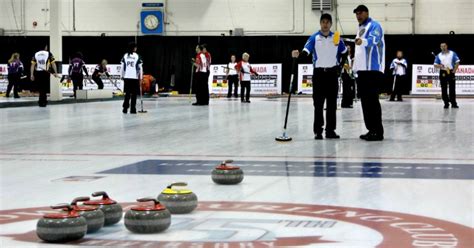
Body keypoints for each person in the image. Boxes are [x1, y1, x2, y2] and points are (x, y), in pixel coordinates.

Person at [292, 13, 347, 139]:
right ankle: (318, 131)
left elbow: (344, 53)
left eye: (328, 22)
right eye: (323, 22)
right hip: (319, 75)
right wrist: (297, 54)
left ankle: (330, 131)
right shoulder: (314, 37)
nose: (325, 24)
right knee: (318, 104)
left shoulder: (337, 37)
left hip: (332, 75)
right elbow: (306, 52)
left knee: (332, 104)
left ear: (331, 24)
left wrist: (340, 67)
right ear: (320, 23)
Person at [352, 5, 385, 141]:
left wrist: (363, 41)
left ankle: (378, 131)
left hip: (373, 69)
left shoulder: (375, 25)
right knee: (365, 102)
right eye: (356, 14)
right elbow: (359, 51)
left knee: (372, 101)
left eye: (360, 13)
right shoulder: (360, 28)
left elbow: (374, 40)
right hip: (362, 71)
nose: (358, 16)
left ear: (366, 13)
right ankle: (371, 129)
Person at [434, 42, 460, 108]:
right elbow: (435, 65)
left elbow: (457, 62)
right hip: (443, 72)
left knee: (452, 88)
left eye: (444, 46)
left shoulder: (452, 53)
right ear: (440, 47)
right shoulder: (438, 55)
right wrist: (440, 65)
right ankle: (446, 103)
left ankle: (454, 103)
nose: (443, 47)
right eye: (441, 46)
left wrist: (454, 70)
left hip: (451, 72)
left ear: (447, 46)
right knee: (444, 88)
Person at [120, 42, 143, 114]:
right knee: (134, 94)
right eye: (135, 47)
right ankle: (133, 109)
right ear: (133, 48)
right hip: (134, 78)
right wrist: (141, 77)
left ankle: (125, 109)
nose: (136, 48)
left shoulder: (125, 55)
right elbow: (140, 68)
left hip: (127, 77)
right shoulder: (137, 56)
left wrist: (122, 75)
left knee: (127, 94)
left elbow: (122, 67)